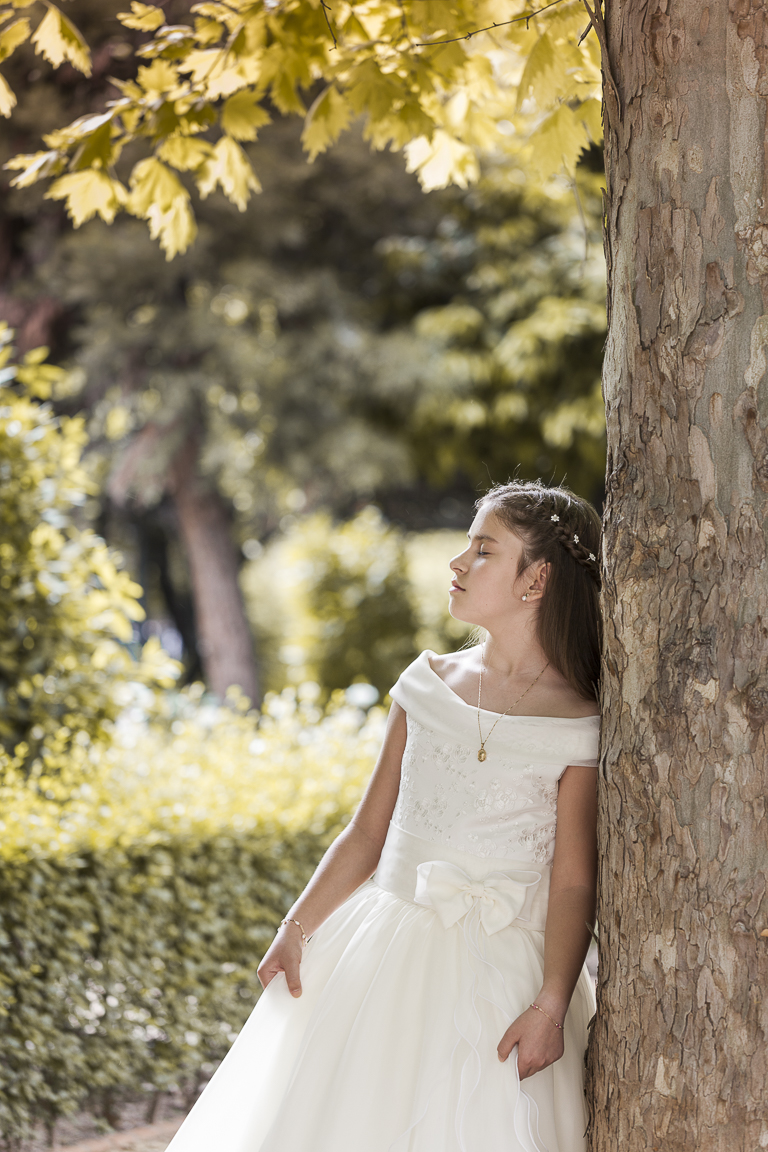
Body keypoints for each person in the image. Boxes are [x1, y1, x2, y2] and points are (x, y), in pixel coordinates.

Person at [164, 480, 602, 1152]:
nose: (457, 564)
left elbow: (574, 879)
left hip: (510, 971)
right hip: (387, 952)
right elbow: (368, 832)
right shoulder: (426, 685)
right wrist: (297, 926)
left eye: (483, 550)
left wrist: (550, 1002)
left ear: (536, 579)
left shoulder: (579, 722)